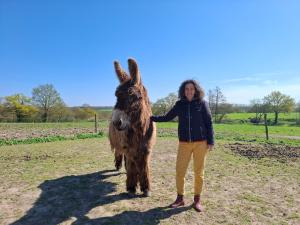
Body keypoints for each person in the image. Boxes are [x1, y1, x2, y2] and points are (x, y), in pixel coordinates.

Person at [151, 79, 214, 212]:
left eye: (191, 89)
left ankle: (197, 200)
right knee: (180, 171)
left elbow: (209, 123)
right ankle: (180, 198)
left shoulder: (202, 103)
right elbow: (167, 117)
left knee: (199, 173)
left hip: (200, 143)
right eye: (187, 89)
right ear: (183, 91)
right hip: (184, 143)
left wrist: (211, 141)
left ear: (196, 90)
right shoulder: (180, 104)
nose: (189, 91)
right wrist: (150, 118)